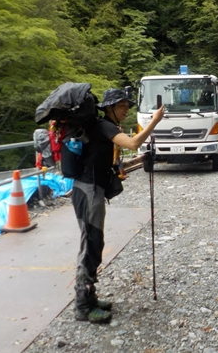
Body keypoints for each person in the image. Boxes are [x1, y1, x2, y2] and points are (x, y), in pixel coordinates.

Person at [72, 88, 164, 324]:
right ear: (109, 107)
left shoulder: (105, 127)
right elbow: (134, 143)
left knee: (95, 242)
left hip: (92, 189)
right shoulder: (105, 126)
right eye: (122, 105)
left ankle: (90, 299)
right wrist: (155, 120)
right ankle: (82, 306)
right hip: (88, 190)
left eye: (127, 106)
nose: (126, 109)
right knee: (91, 244)